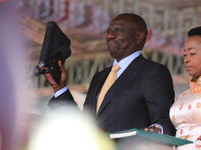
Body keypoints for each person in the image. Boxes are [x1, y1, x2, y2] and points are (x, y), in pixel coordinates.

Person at [44, 13, 176, 135]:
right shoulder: (99, 77)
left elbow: (163, 122)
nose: (109, 35)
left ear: (139, 36)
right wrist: (60, 88)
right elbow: (84, 124)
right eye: (108, 31)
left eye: (117, 30)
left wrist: (142, 135)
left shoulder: (152, 72)